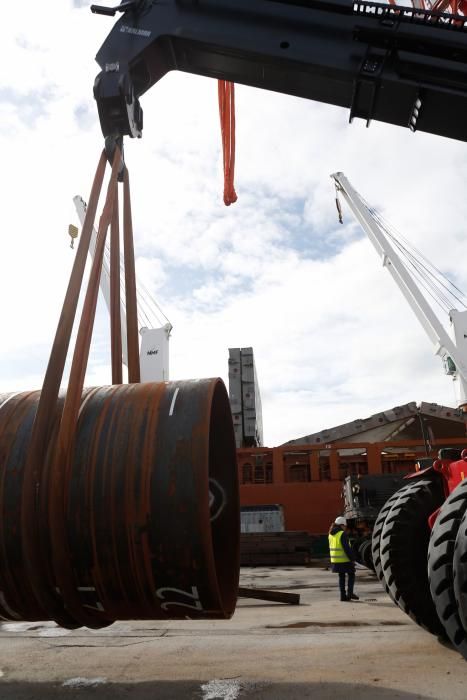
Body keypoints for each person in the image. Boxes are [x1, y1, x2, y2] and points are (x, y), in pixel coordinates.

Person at [328, 516, 359, 602]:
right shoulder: (342, 534)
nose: (345, 528)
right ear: (342, 525)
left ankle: (343, 596)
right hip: (344, 559)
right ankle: (350, 593)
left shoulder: (331, 534)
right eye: (345, 526)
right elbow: (346, 548)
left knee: (341, 576)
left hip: (335, 560)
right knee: (351, 574)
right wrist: (352, 558)